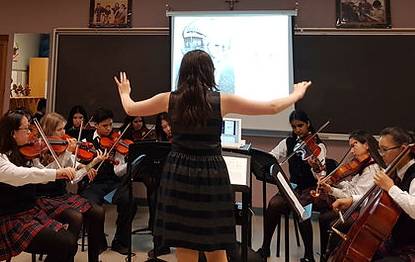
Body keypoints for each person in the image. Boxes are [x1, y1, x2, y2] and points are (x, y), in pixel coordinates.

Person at [115, 49, 312, 262]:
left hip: (178, 173)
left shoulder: (169, 99)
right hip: (211, 173)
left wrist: (125, 91)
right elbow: (272, 107)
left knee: (185, 243)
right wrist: (296, 94)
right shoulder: (221, 101)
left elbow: (131, 108)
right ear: (209, 72)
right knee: (215, 243)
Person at [0, 110, 77, 262]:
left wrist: (60, 168)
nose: (30, 132)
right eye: (26, 128)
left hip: (29, 213)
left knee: (70, 242)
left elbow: (43, 174)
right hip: (9, 220)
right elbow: (20, 175)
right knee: (65, 244)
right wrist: (56, 174)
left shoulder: (25, 153)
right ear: (12, 133)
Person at [330, 126, 415, 261]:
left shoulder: (412, 174)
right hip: (394, 238)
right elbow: (377, 197)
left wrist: (391, 188)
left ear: (403, 149)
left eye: (385, 150)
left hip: (410, 245)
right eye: (380, 149)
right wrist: (352, 200)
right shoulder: (394, 170)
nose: (381, 154)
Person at [258, 110, 329, 262]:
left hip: (310, 187)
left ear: (308, 124)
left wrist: (314, 167)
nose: (297, 130)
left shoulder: (319, 147)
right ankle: (265, 247)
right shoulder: (289, 143)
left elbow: (321, 175)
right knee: (273, 204)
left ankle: (309, 255)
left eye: (301, 126)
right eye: (294, 126)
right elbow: (271, 156)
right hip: (294, 186)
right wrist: (267, 160)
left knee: (300, 208)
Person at [37, 112, 105, 262]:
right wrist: (67, 153)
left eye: (64, 129)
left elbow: (75, 178)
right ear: (48, 131)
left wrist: (94, 163)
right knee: (76, 216)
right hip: (43, 198)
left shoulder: (63, 149)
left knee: (98, 211)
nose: (64, 134)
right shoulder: (37, 152)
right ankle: (66, 257)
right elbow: (47, 173)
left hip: (61, 195)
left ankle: (93, 259)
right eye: (59, 130)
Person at [317, 130, 385, 258]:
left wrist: (331, 190)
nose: (352, 151)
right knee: (323, 218)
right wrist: (334, 183)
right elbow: (351, 187)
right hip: (356, 204)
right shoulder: (363, 165)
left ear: (367, 145)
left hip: (364, 209)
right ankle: (324, 255)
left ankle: (334, 256)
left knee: (334, 226)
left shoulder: (372, 168)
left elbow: (354, 196)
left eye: (354, 145)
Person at [80, 107, 137, 255]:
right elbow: (79, 166)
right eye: (105, 125)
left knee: (129, 202)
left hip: (114, 182)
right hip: (95, 184)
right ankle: (98, 241)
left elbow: (119, 169)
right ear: (95, 125)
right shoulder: (86, 142)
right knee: (89, 205)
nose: (109, 129)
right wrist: (89, 166)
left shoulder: (115, 141)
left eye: (110, 125)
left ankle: (120, 241)